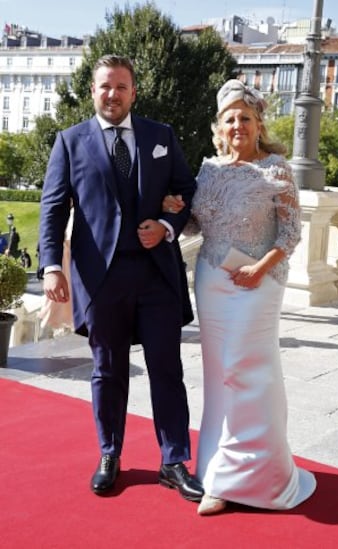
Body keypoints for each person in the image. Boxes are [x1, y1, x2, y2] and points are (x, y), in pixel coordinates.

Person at [39, 54, 203, 502]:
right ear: (93, 91)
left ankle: (173, 461)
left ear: (134, 91)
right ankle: (110, 454)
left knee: (166, 370)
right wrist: (52, 265)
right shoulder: (70, 142)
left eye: (121, 86)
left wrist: (167, 227)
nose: (113, 94)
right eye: (104, 86)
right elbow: (53, 208)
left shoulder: (161, 136)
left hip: (157, 277)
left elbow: (187, 190)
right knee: (108, 371)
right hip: (101, 279)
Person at [163, 79, 316, 515]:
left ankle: (254, 479)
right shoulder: (209, 169)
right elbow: (198, 227)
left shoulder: (277, 169)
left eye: (244, 118)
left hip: (257, 286)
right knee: (219, 377)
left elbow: (290, 233)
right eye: (230, 118)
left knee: (246, 374)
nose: (237, 125)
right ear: (220, 126)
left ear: (258, 123)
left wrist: (259, 269)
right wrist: (178, 211)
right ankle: (216, 471)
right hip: (212, 281)